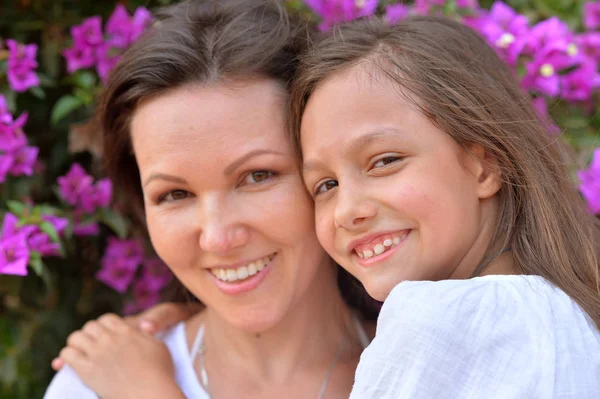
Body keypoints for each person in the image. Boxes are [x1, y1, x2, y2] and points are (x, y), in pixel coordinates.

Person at [43, 1, 376, 398]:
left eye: (257, 176)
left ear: (328, 177)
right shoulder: (95, 386)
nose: (218, 238)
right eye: (175, 194)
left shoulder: (431, 369)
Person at [291, 15, 600, 398]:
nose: (346, 210)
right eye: (326, 185)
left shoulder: (440, 322)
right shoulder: (569, 315)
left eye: (384, 161)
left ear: (485, 167)